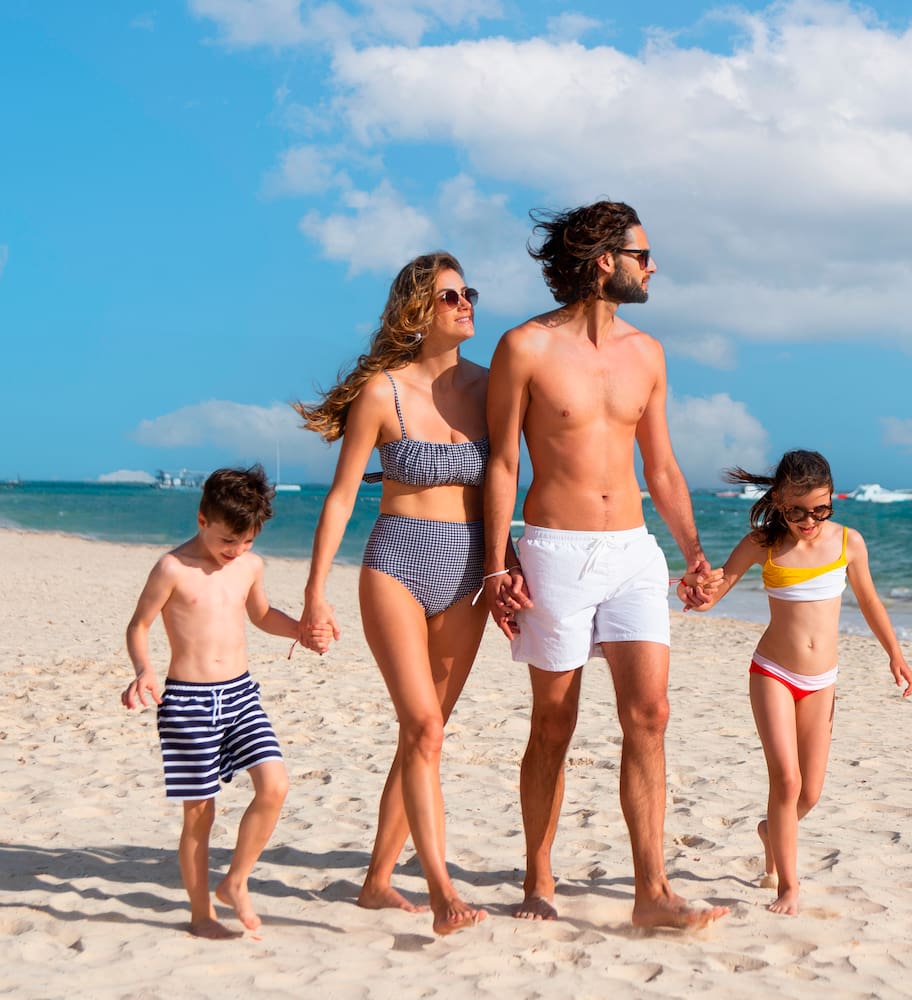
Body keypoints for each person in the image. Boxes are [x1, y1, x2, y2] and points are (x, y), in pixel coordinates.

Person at [479, 200, 729, 928]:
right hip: (554, 551)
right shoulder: (524, 347)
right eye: (642, 255)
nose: (652, 267)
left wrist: (693, 555)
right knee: (553, 723)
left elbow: (664, 466)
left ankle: (652, 891)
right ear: (603, 262)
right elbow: (501, 462)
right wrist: (498, 565)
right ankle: (538, 875)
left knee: (649, 714)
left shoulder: (646, 353)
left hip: (632, 551)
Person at [294, 252, 495, 935]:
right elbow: (344, 496)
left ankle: (377, 881)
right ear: (417, 310)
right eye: (450, 296)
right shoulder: (383, 392)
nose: (466, 303)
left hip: (468, 569)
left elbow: (510, 484)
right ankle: (440, 888)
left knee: (424, 737)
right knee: (425, 726)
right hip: (397, 563)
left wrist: (512, 562)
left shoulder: (494, 389)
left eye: (468, 292)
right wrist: (314, 594)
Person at [683, 449, 912, 915]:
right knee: (786, 781)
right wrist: (697, 590)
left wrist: (895, 653)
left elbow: (870, 602)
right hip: (772, 672)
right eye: (796, 511)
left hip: (822, 681)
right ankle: (788, 886)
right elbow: (717, 590)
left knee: (810, 792)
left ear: (832, 500)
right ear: (778, 502)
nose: (808, 520)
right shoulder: (761, 544)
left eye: (820, 509)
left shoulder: (850, 543)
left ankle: (772, 831)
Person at [121, 465, 301, 939]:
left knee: (275, 786)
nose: (236, 551)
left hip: (241, 695)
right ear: (202, 520)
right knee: (200, 812)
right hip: (188, 702)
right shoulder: (172, 568)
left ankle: (235, 881)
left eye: (247, 542)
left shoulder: (250, 565)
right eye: (228, 541)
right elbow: (138, 625)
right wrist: (144, 669)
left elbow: (261, 615)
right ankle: (202, 914)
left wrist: (300, 629)